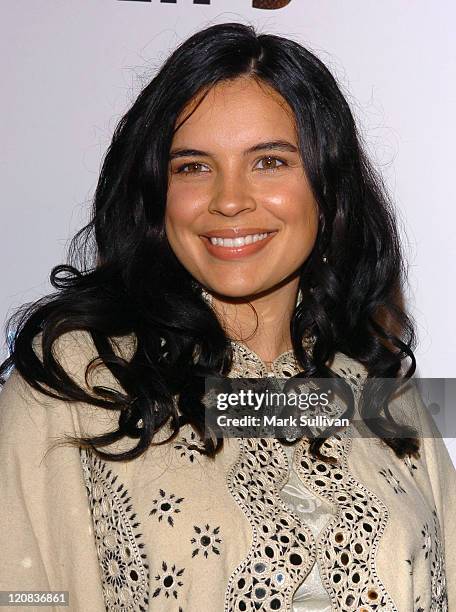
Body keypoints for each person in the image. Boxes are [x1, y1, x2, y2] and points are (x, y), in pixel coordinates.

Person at [0, 21, 454, 612]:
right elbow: (22, 590)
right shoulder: (78, 379)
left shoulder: (376, 391)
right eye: (192, 166)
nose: (229, 199)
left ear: (328, 189)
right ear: (155, 194)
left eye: (269, 162)